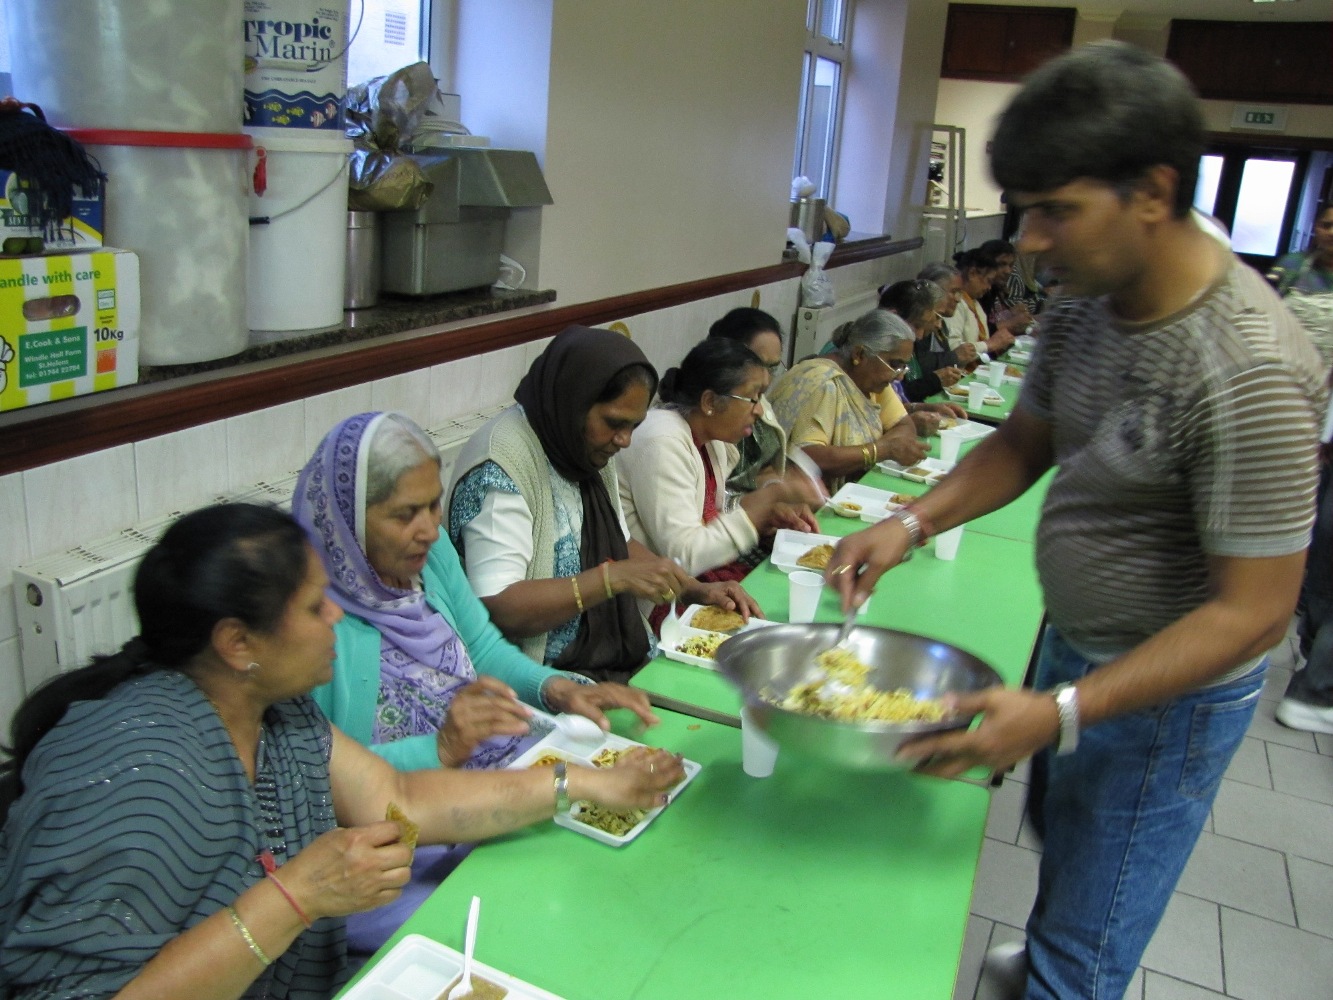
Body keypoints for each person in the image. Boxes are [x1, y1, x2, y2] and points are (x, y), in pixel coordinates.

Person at [826, 41, 1324, 1000]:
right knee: (1066, 844)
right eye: (1025, 210)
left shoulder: (1248, 367)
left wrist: (1059, 713)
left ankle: (1065, 970)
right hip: (1073, 645)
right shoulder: (1089, 303)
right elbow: (1022, 442)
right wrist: (911, 521)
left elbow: (1254, 612)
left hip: (1166, 695)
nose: (1032, 241)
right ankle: (1056, 940)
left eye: (1057, 210)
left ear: (1152, 191)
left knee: (1085, 948)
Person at [0, 503, 681, 1000]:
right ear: (238, 643)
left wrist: (582, 782)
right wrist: (297, 897)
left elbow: (404, 799)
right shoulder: (139, 781)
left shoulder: (272, 710)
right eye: (314, 607)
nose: (337, 619)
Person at [449, 326, 759, 682]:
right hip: (535, 681)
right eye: (614, 423)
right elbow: (500, 604)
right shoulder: (501, 467)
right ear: (573, 401)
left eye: (633, 425)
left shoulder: (582, 446)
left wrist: (693, 589)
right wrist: (609, 580)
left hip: (605, 658)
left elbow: (621, 541)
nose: (625, 440)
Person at [616, 338, 818, 586]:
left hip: (688, 580)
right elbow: (684, 556)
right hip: (655, 598)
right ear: (710, 402)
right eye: (752, 398)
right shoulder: (661, 441)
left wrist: (768, 517)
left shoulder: (712, 440)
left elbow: (709, 516)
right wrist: (762, 504)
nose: (759, 410)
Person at [770, 309, 927, 491]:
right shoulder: (823, 383)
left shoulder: (874, 381)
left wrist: (879, 449)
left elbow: (905, 426)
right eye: (894, 365)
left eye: (903, 367)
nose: (899, 377)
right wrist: (881, 450)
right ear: (859, 355)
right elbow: (806, 458)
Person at [879, 278, 965, 403]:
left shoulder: (911, 342)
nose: (919, 336)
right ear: (893, 317)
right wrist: (934, 381)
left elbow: (900, 400)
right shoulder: (877, 350)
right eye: (917, 325)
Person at [948, 248, 1019, 357]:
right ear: (972, 274)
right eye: (988, 281)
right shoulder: (954, 303)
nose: (989, 288)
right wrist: (990, 344)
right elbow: (954, 350)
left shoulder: (975, 303)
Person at [1269, 201, 1333, 296]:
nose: (1331, 233)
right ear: (1315, 228)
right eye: (1326, 226)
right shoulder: (1290, 263)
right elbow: (1263, 302)